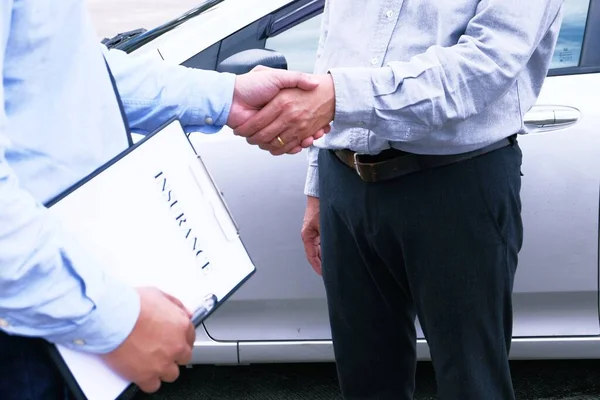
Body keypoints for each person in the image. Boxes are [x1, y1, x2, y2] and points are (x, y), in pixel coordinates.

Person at [233, 0, 566, 398]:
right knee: (365, 380)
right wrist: (317, 185)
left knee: (472, 382)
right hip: (344, 178)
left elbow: (486, 64)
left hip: (455, 182)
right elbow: (333, 43)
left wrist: (340, 96)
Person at [0, 1, 325, 399]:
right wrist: (111, 319)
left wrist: (226, 97)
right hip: (30, 323)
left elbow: (66, 69)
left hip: (60, 302)